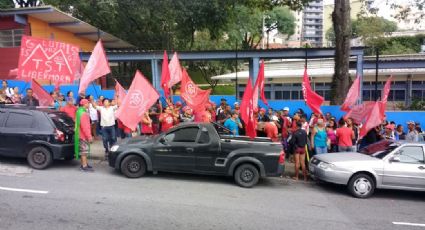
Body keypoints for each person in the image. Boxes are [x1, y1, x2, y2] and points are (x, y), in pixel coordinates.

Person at [74, 99, 94, 172]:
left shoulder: (79, 111)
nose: (88, 104)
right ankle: (84, 166)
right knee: (84, 151)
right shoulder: (84, 113)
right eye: (88, 103)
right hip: (83, 135)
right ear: (84, 104)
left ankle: (84, 164)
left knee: (83, 150)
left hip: (78, 134)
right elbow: (85, 127)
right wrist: (89, 136)